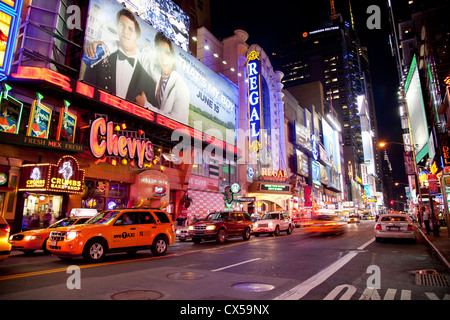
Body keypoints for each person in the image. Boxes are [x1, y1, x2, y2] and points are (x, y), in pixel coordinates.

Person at [83, 8, 157, 107]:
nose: (125, 32)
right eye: (122, 26)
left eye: (130, 29)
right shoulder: (99, 61)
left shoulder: (149, 82)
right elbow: (84, 92)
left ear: (138, 38)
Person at [139, 31, 189, 125]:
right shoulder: (156, 69)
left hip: (175, 137)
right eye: (159, 52)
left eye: (166, 53)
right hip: (156, 129)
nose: (163, 57)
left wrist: (145, 105)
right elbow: (144, 56)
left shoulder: (181, 88)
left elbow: (176, 123)